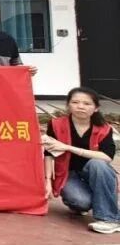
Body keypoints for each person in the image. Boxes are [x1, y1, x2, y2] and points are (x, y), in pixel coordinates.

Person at [42, 87, 119, 234]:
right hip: (68, 173)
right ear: (68, 105)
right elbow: (48, 153)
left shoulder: (104, 129)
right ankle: (92, 201)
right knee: (81, 202)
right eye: (75, 102)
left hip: (94, 172)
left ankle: (109, 219)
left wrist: (68, 147)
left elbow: (107, 156)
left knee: (97, 163)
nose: (80, 106)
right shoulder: (56, 124)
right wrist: (47, 182)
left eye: (86, 103)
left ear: (96, 108)